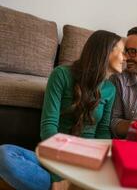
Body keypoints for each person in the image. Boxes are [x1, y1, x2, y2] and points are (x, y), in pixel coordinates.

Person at [0, 30, 125, 190]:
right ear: (106, 51)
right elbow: (48, 126)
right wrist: (61, 173)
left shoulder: (110, 89)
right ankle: (61, 186)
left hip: (88, 161)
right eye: (122, 52)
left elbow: (102, 133)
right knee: (5, 154)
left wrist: (99, 163)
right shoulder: (61, 75)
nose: (126, 58)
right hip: (56, 154)